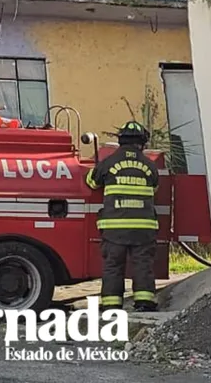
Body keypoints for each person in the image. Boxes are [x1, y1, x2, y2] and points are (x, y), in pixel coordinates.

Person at [84, 120, 160, 312]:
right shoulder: (150, 166)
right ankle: (145, 301)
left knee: (113, 265)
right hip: (143, 228)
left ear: (121, 141)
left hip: (114, 228)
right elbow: (155, 187)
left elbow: (91, 182)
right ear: (142, 143)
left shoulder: (109, 162)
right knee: (142, 265)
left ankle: (111, 305)